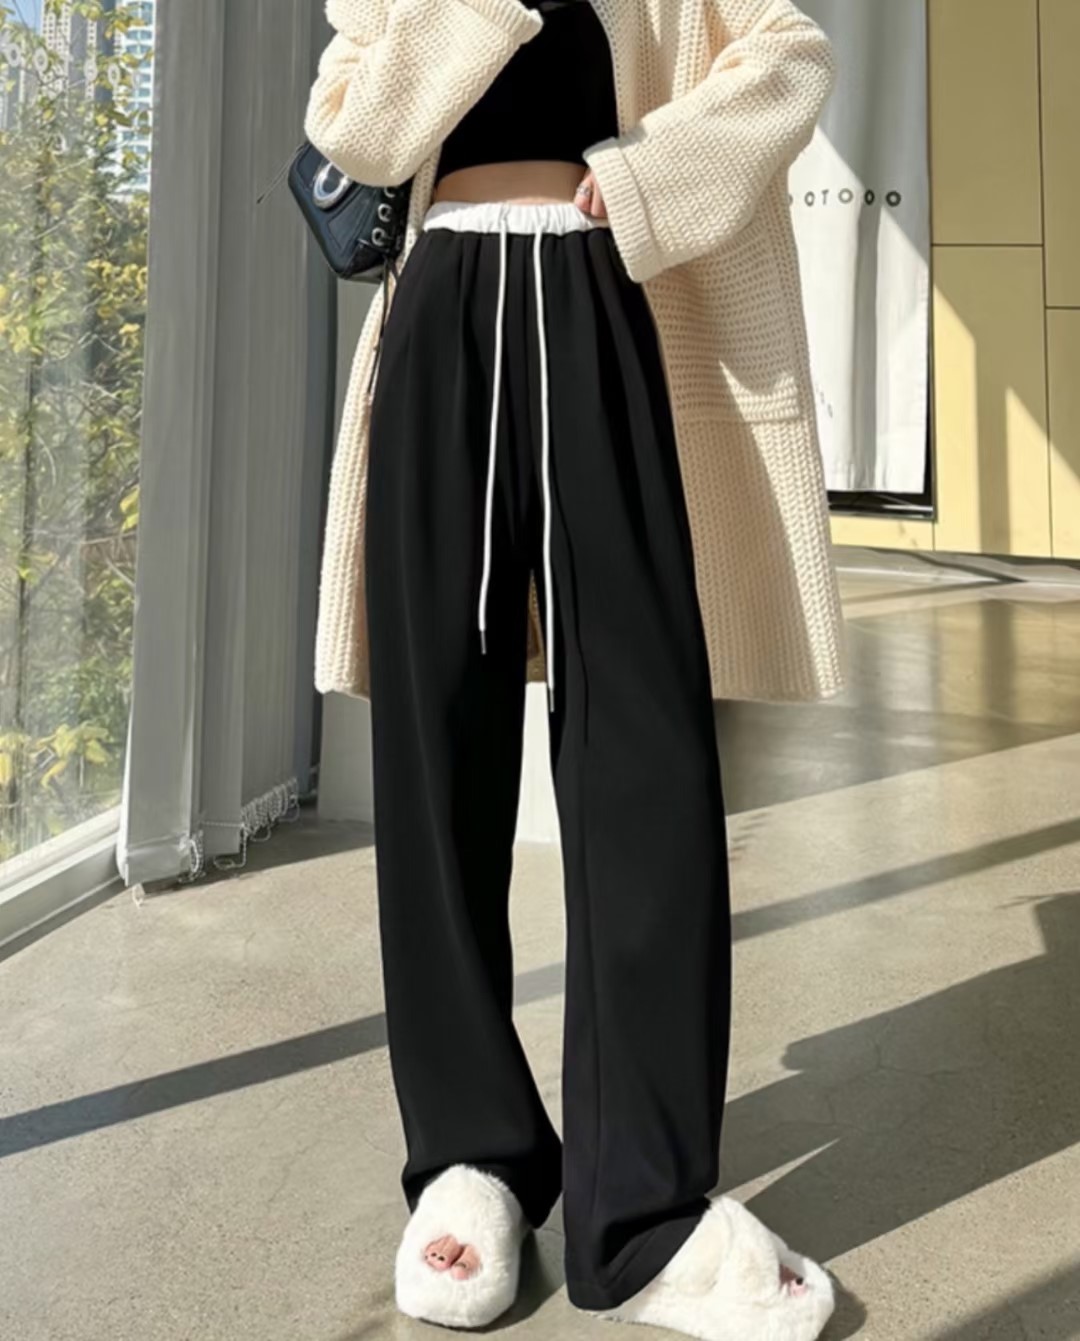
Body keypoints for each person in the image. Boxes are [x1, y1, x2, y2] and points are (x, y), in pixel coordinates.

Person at [304, 0, 845, 1337]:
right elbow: (358, 130)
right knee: (437, 755)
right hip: (442, 309)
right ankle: (470, 1158)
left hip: (608, 303)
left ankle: (646, 1213)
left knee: (646, 755)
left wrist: (647, 178)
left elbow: (791, 57)